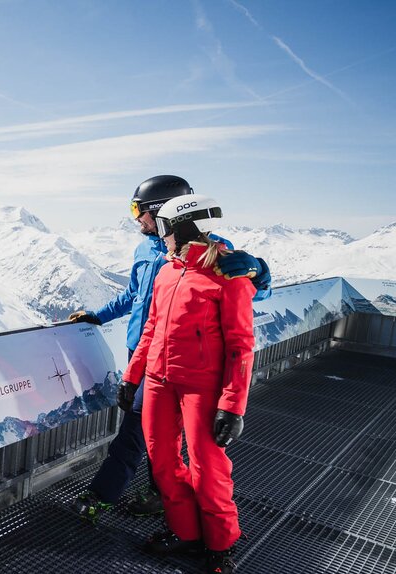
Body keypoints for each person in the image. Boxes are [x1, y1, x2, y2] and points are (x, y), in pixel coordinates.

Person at [68, 175, 270, 522]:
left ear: (163, 211)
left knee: (138, 431)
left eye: (139, 211)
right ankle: (160, 493)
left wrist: (259, 272)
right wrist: (98, 316)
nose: (136, 219)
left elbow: (251, 296)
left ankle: (108, 494)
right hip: (141, 352)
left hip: (182, 360)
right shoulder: (145, 249)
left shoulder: (212, 248)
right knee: (153, 432)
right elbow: (134, 295)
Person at [118, 193, 253, 574]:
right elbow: (151, 329)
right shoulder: (166, 271)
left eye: (164, 226)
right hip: (159, 383)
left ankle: (221, 544)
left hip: (201, 387)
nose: (160, 234)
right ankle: (186, 532)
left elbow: (241, 345)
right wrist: (132, 376)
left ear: (182, 227)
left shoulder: (227, 274)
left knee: (208, 469)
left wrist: (233, 406)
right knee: (162, 462)